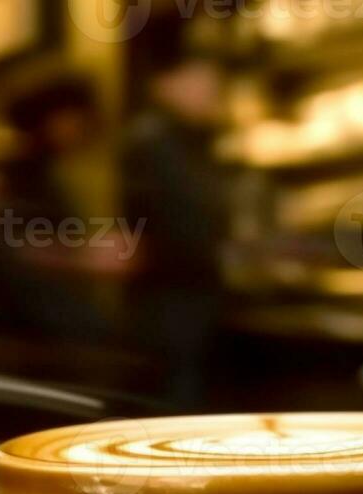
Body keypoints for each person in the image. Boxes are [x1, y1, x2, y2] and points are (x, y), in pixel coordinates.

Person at [123, 17, 228, 411]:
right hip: (173, 308)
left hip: (181, 305)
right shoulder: (156, 141)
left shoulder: (181, 141)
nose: (212, 93)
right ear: (167, 83)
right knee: (177, 411)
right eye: (203, 82)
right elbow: (184, 229)